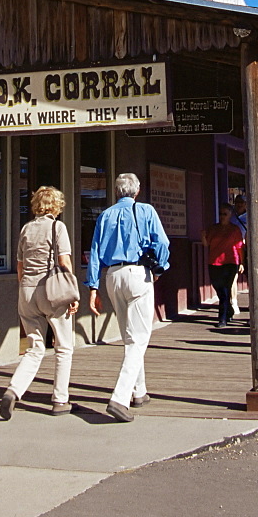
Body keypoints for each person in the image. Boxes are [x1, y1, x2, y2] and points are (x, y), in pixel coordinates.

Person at [86, 172, 170, 422]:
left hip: (112, 275)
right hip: (137, 273)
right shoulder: (146, 211)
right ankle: (120, 398)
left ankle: (139, 391)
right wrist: (160, 268)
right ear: (137, 190)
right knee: (139, 338)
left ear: (116, 191)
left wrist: (93, 287)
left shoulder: (105, 215)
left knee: (129, 336)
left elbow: (94, 252)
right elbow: (162, 243)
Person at [0, 185, 78, 419]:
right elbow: (64, 261)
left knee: (34, 347)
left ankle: (14, 389)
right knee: (64, 346)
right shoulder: (58, 227)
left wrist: (25, 288)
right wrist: (73, 294)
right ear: (56, 206)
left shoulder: (26, 229)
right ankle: (60, 399)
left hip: (27, 291)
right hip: (51, 290)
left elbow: (20, 266)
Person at [201, 203, 244, 328]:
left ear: (230, 215)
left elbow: (240, 247)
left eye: (225, 214)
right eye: (220, 214)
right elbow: (206, 244)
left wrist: (242, 263)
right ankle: (229, 309)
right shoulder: (213, 228)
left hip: (231, 262)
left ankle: (222, 318)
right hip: (214, 262)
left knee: (225, 289)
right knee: (219, 289)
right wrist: (203, 236)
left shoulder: (235, 229)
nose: (222, 216)